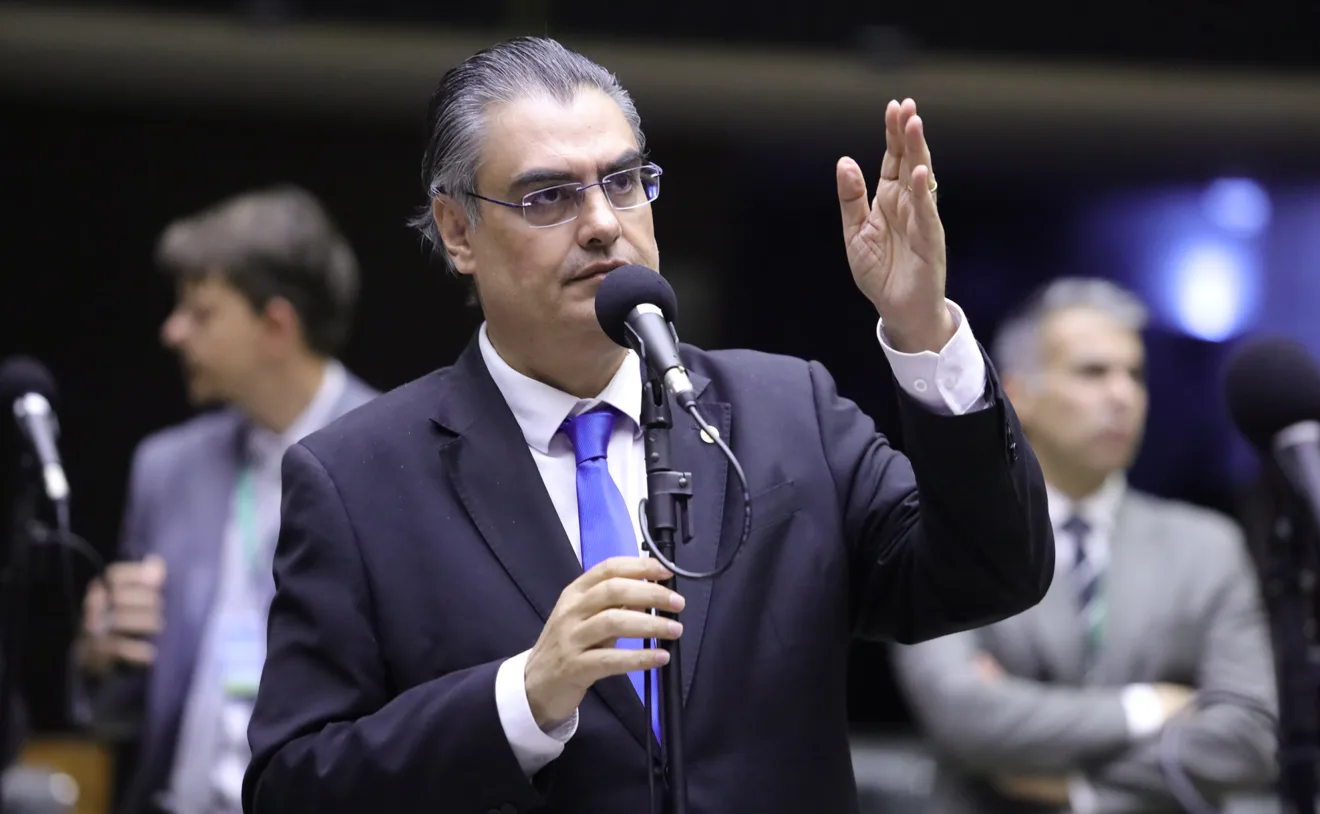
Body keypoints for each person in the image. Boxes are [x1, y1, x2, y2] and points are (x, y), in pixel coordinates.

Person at [242, 37, 1056, 814]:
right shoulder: (355, 478)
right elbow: (293, 786)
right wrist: (523, 699)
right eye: (549, 195)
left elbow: (994, 572)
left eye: (624, 181)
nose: (601, 221)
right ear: (458, 231)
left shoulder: (785, 411)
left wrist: (924, 333)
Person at [892, 278, 1278, 813]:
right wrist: (1148, 708)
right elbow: (961, 715)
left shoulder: (1207, 547)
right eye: (1092, 372)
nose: (1122, 395)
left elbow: (1250, 737)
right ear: (1019, 395)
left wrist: (1086, 792)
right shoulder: (949, 538)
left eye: (1134, 375)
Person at [72, 186, 379, 814]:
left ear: (276, 325)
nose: (173, 332)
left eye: (201, 313)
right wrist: (101, 657)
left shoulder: (395, 453)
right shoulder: (167, 467)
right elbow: (115, 715)